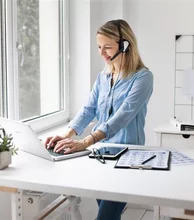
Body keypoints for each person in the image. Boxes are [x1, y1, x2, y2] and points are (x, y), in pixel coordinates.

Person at [45, 19, 153, 220]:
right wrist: (65, 134)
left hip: (128, 158)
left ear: (125, 45)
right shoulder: (102, 78)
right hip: (101, 156)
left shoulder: (143, 78)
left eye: (107, 47)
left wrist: (85, 142)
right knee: (110, 216)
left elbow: (123, 115)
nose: (101, 53)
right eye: (99, 47)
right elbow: (89, 110)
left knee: (105, 217)